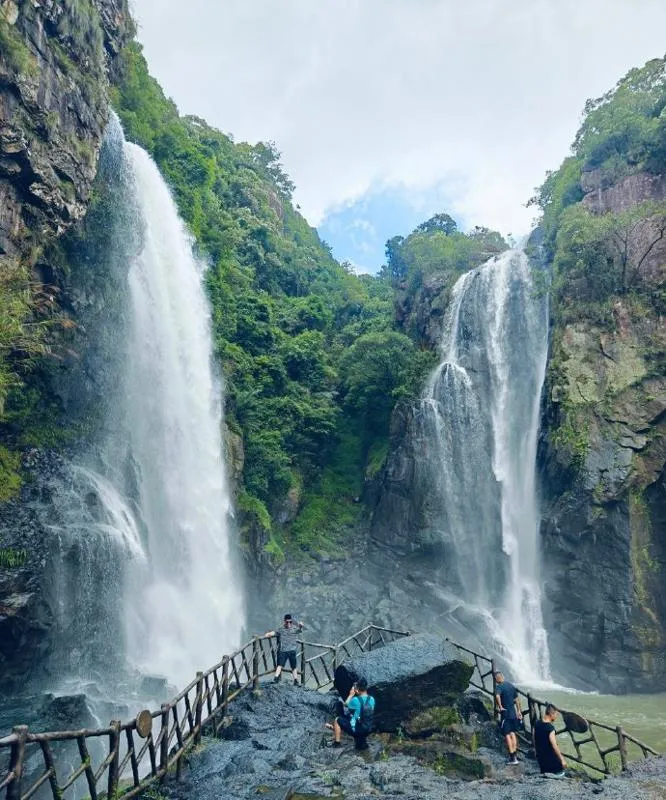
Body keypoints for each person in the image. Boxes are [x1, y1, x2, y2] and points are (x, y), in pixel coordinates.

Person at [328, 678, 375, 750]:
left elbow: (345, 704)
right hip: (368, 729)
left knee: (338, 720)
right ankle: (362, 741)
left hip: (359, 730)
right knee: (356, 718)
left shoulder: (355, 700)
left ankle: (337, 743)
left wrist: (351, 694)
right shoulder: (372, 699)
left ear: (358, 689)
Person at [264, 613, 305, 685]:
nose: (289, 623)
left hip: (292, 650)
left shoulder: (294, 628)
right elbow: (275, 633)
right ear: (284, 621)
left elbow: (300, 630)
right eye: (287, 622)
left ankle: (296, 680)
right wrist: (268, 634)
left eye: (290, 622)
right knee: (280, 665)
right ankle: (276, 678)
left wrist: (301, 626)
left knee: (293, 666)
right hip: (283, 650)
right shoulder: (281, 629)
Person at [494, 671, 522, 764]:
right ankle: (515, 755)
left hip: (505, 715)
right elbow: (517, 699)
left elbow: (497, 696)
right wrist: (518, 711)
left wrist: (500, 706)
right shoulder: (510, 685)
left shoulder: (499, 687)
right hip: (513, 714)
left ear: (497, 678)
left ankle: (512, 758)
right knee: (513, 733)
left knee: (507, 735)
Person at [533, 704, 567, 777]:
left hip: (541, 760)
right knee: (561, 772)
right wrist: (562, 760)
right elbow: (554, 745)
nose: (556, 717)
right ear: (551, 714)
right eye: (556, 714)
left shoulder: (537, 723)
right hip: (551, 762)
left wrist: (536, 751)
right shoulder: (550, 728)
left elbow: (534, 738)